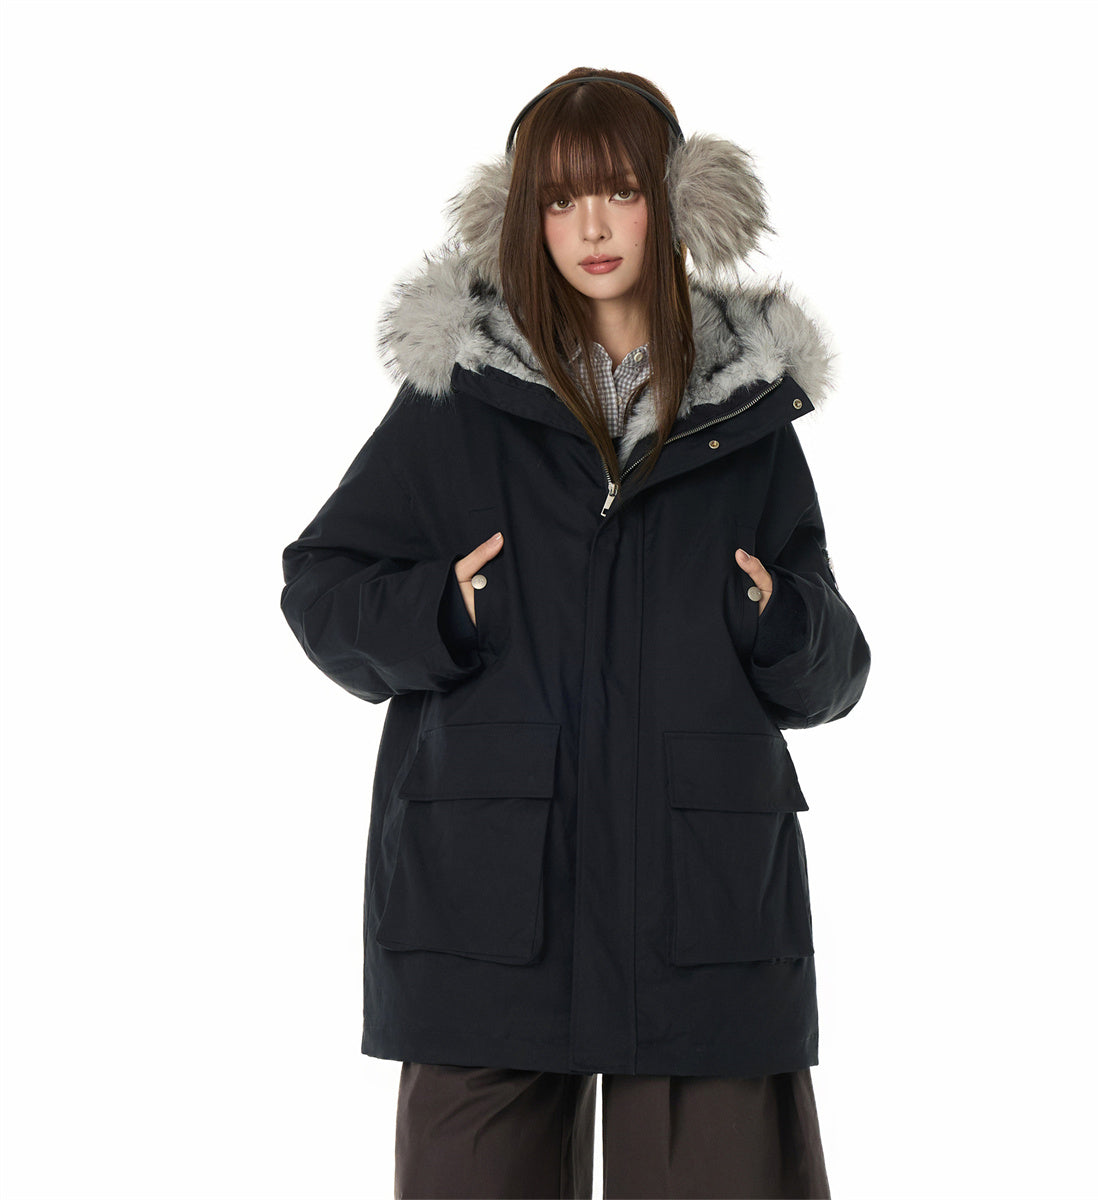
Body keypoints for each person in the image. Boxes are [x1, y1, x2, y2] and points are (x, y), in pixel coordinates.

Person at [279, 67, 871, 1200]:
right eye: (558, 199)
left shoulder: (748, 413)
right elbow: (322, 586)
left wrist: (775, 619)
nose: (591, 227)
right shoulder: (459, 401)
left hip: (701, 911)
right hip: (489, 904)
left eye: (618, 191)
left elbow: (836, 670)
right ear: (524, 217)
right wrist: (441, 612)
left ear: (674, 201)